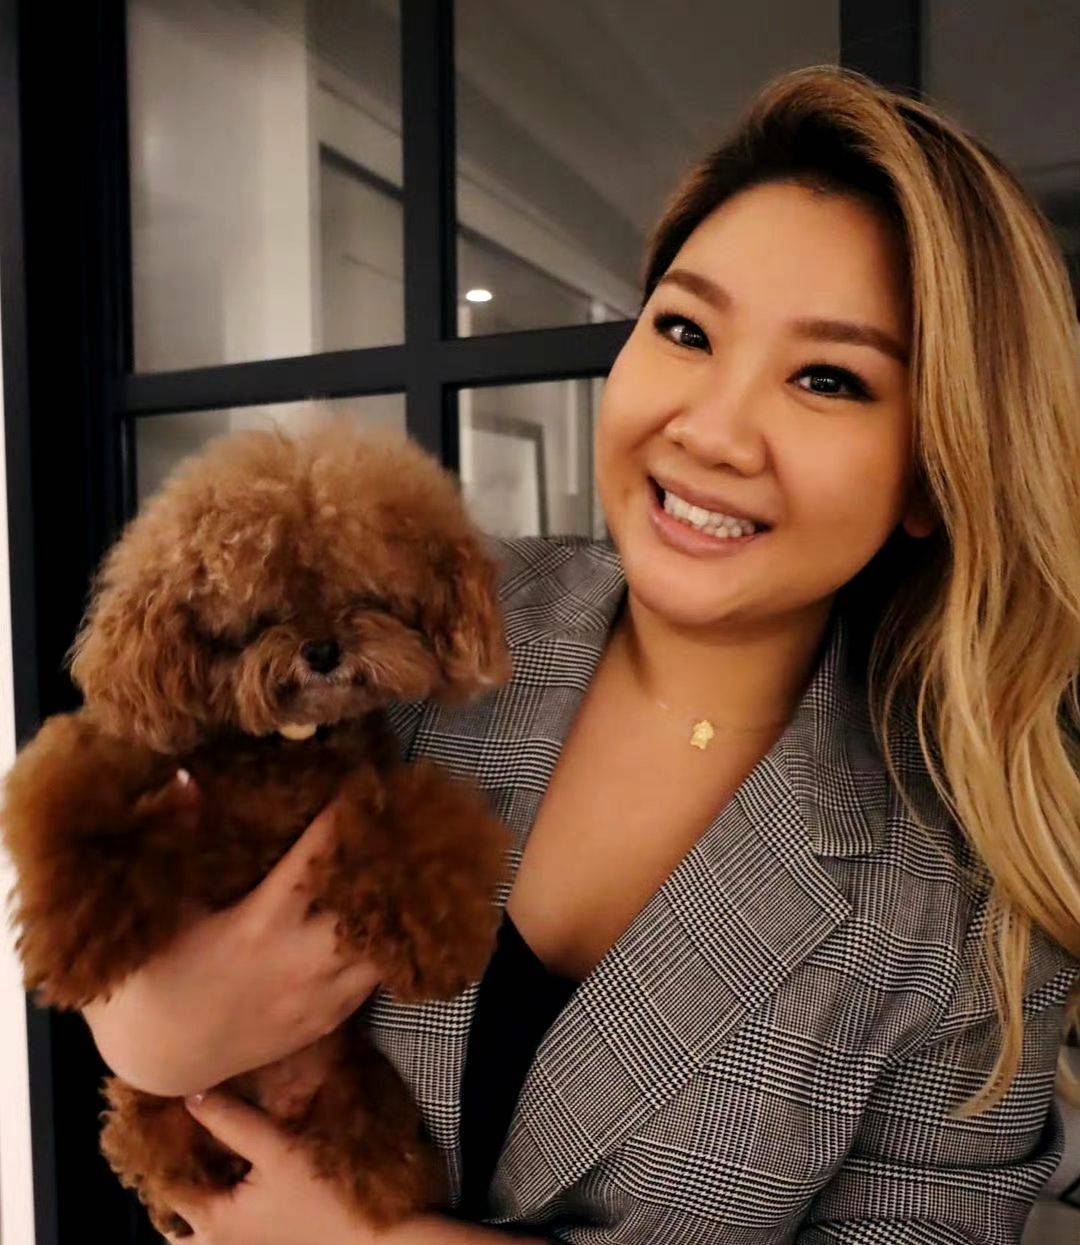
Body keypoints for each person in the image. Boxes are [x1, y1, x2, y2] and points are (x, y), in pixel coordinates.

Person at [80, 63, 1079, 1245]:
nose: (712, 430)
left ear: (932, 471)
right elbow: (135, 816)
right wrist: (145, 1030)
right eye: (686, 329)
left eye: (828, 378)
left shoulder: (965, 909)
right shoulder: (414, 616)